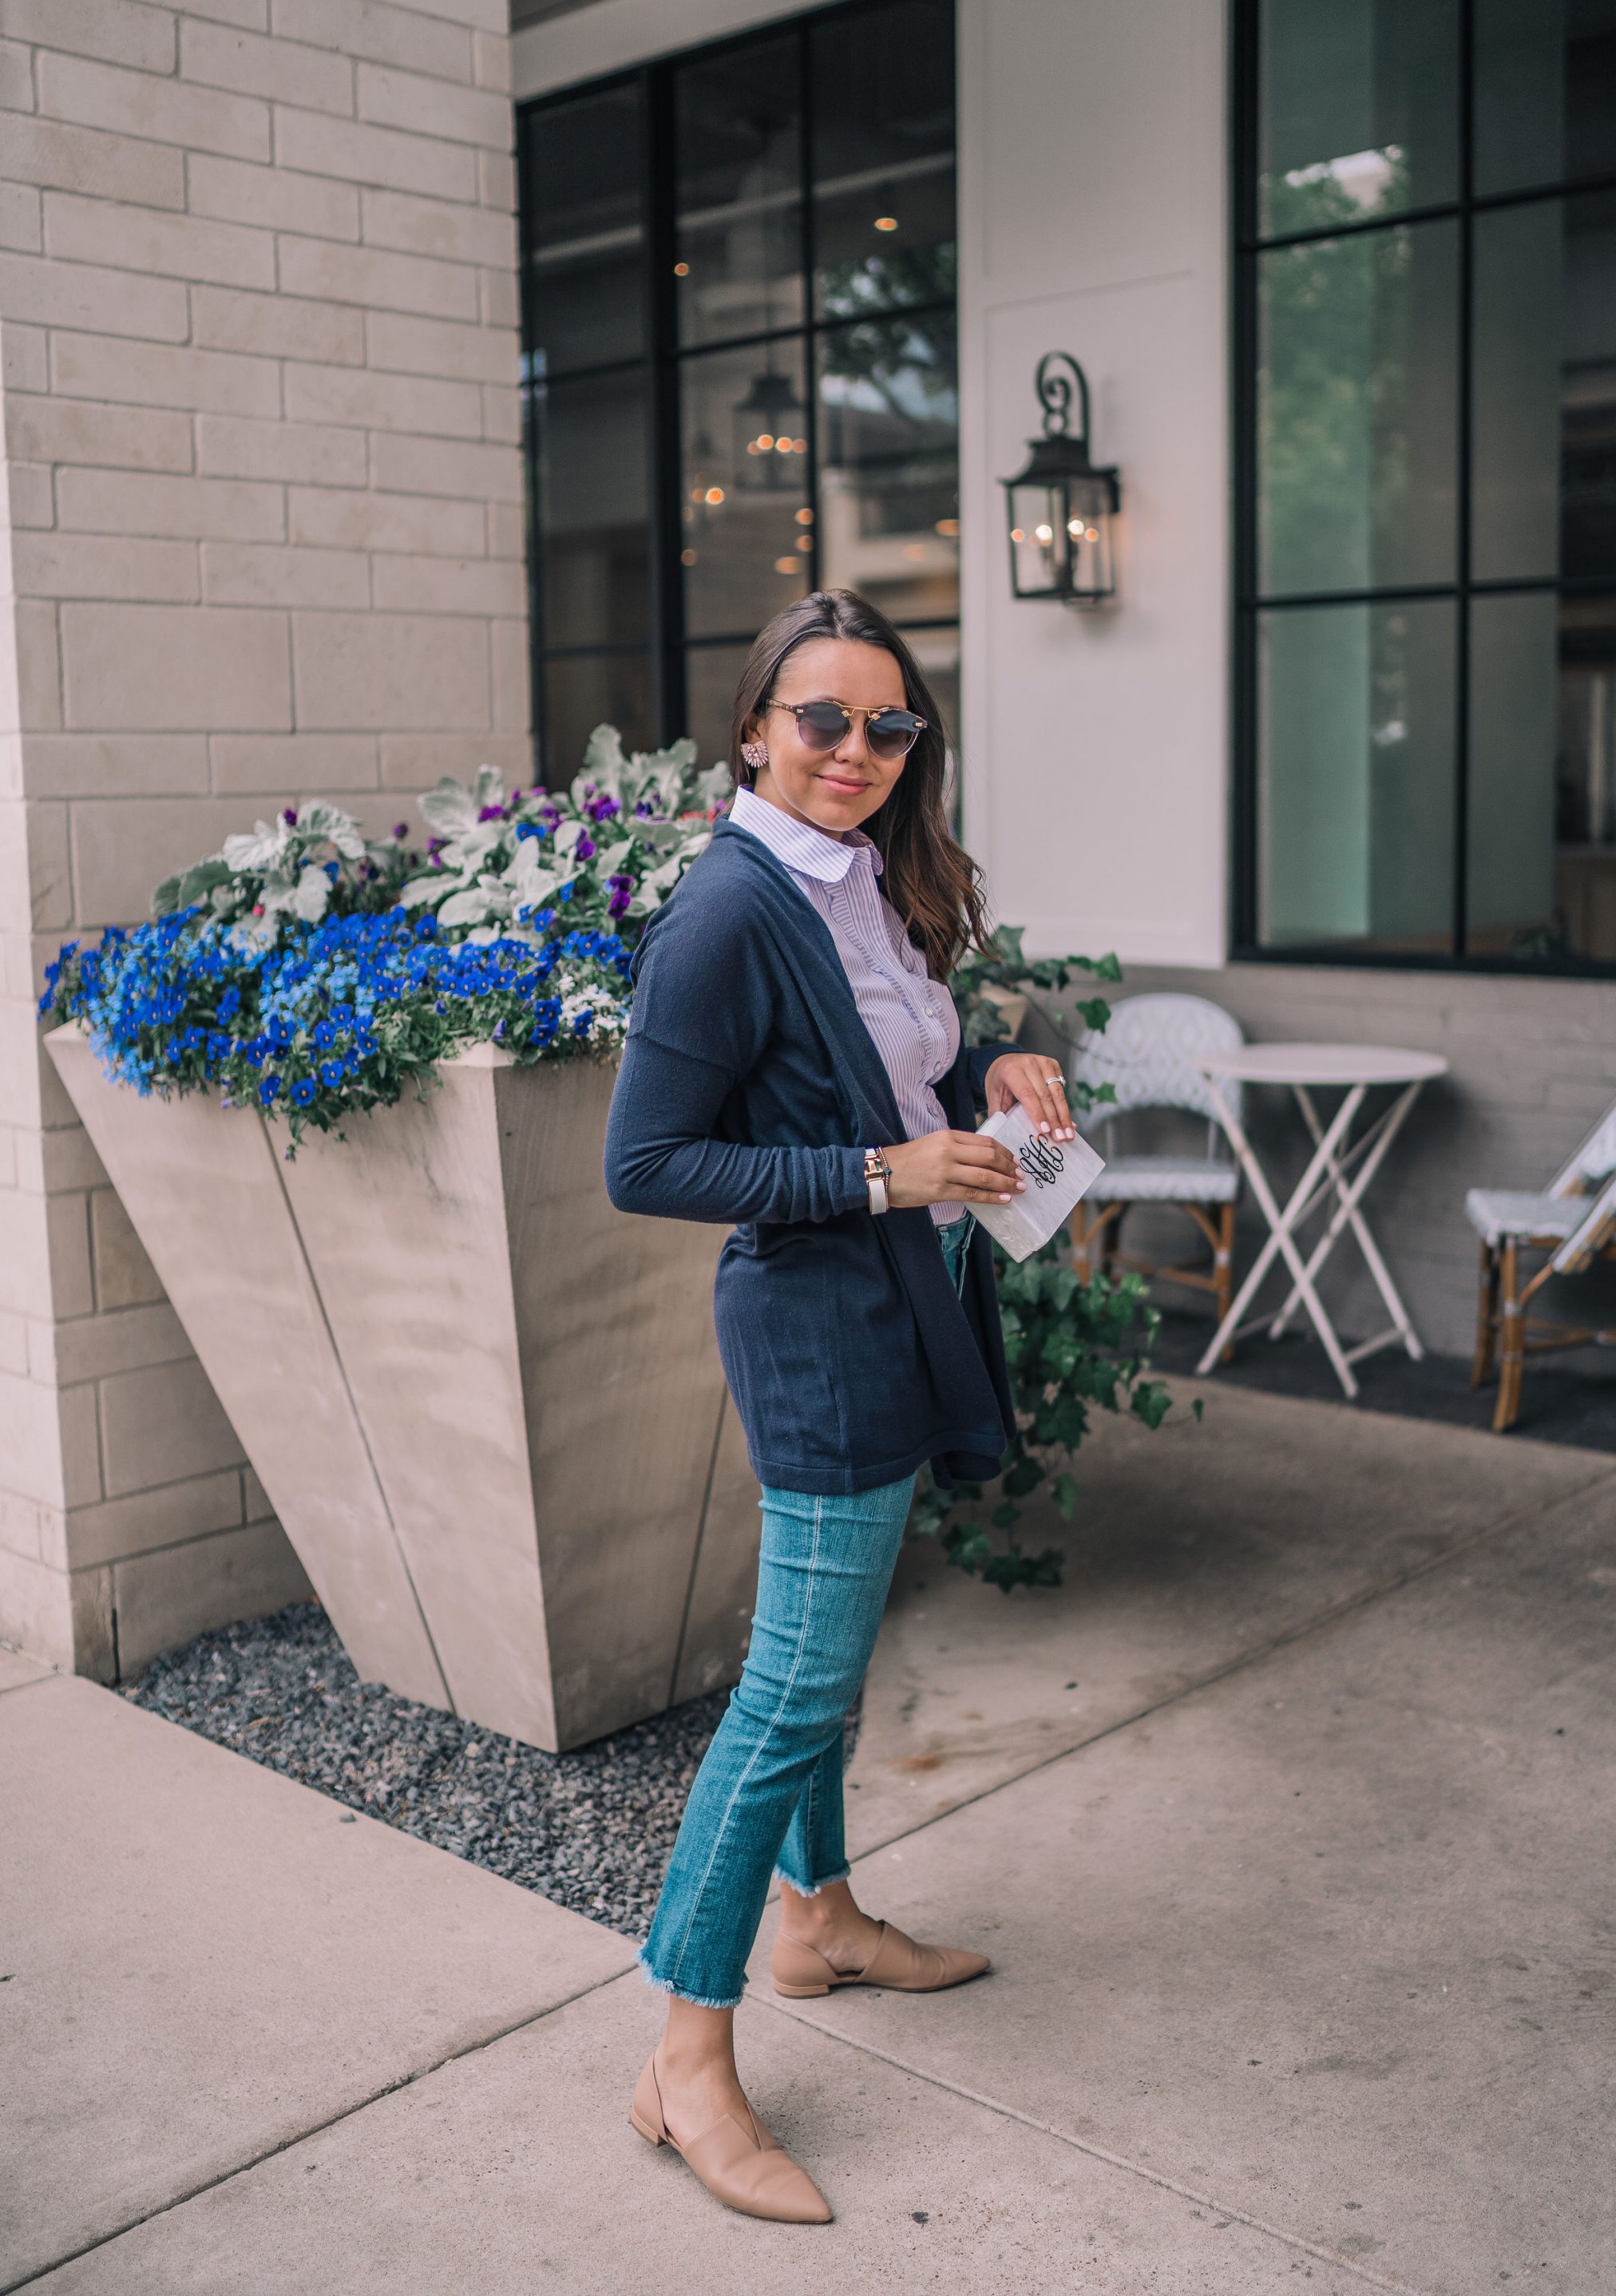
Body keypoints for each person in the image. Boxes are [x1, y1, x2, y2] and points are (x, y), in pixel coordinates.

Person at [604, 587, 1076, 2223]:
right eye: (823, 719)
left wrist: (992, 1077)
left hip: (903, 1297)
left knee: (824, 1650)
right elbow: (645, 1162)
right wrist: (882, 1173)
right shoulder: (727, 913)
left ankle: (819, 1917)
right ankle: (683, 2051)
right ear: (753, 728)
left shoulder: (872, 881)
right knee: (792, 1698)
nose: (858, 751)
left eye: (891, 725)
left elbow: (889, 1075)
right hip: (814, 1322)